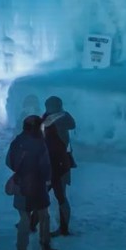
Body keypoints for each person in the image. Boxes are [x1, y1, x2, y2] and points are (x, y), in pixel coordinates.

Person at [7, 115, 58, 250]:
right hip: (37, 185)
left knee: (24, 218)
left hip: (20, 183)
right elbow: (46, 166)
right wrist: (47, 179)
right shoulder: (39, 143)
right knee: (44, 216)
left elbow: (9, 162)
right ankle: (45, 247)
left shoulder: (17, 141)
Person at [43, 95, 77, 236]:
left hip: (60, 163)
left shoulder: (61, 119)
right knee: (46, 194)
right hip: (53, 163)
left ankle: (63, 228)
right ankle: (33, 223)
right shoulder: (51, 118)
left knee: (59, 196)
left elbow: (71, 124)